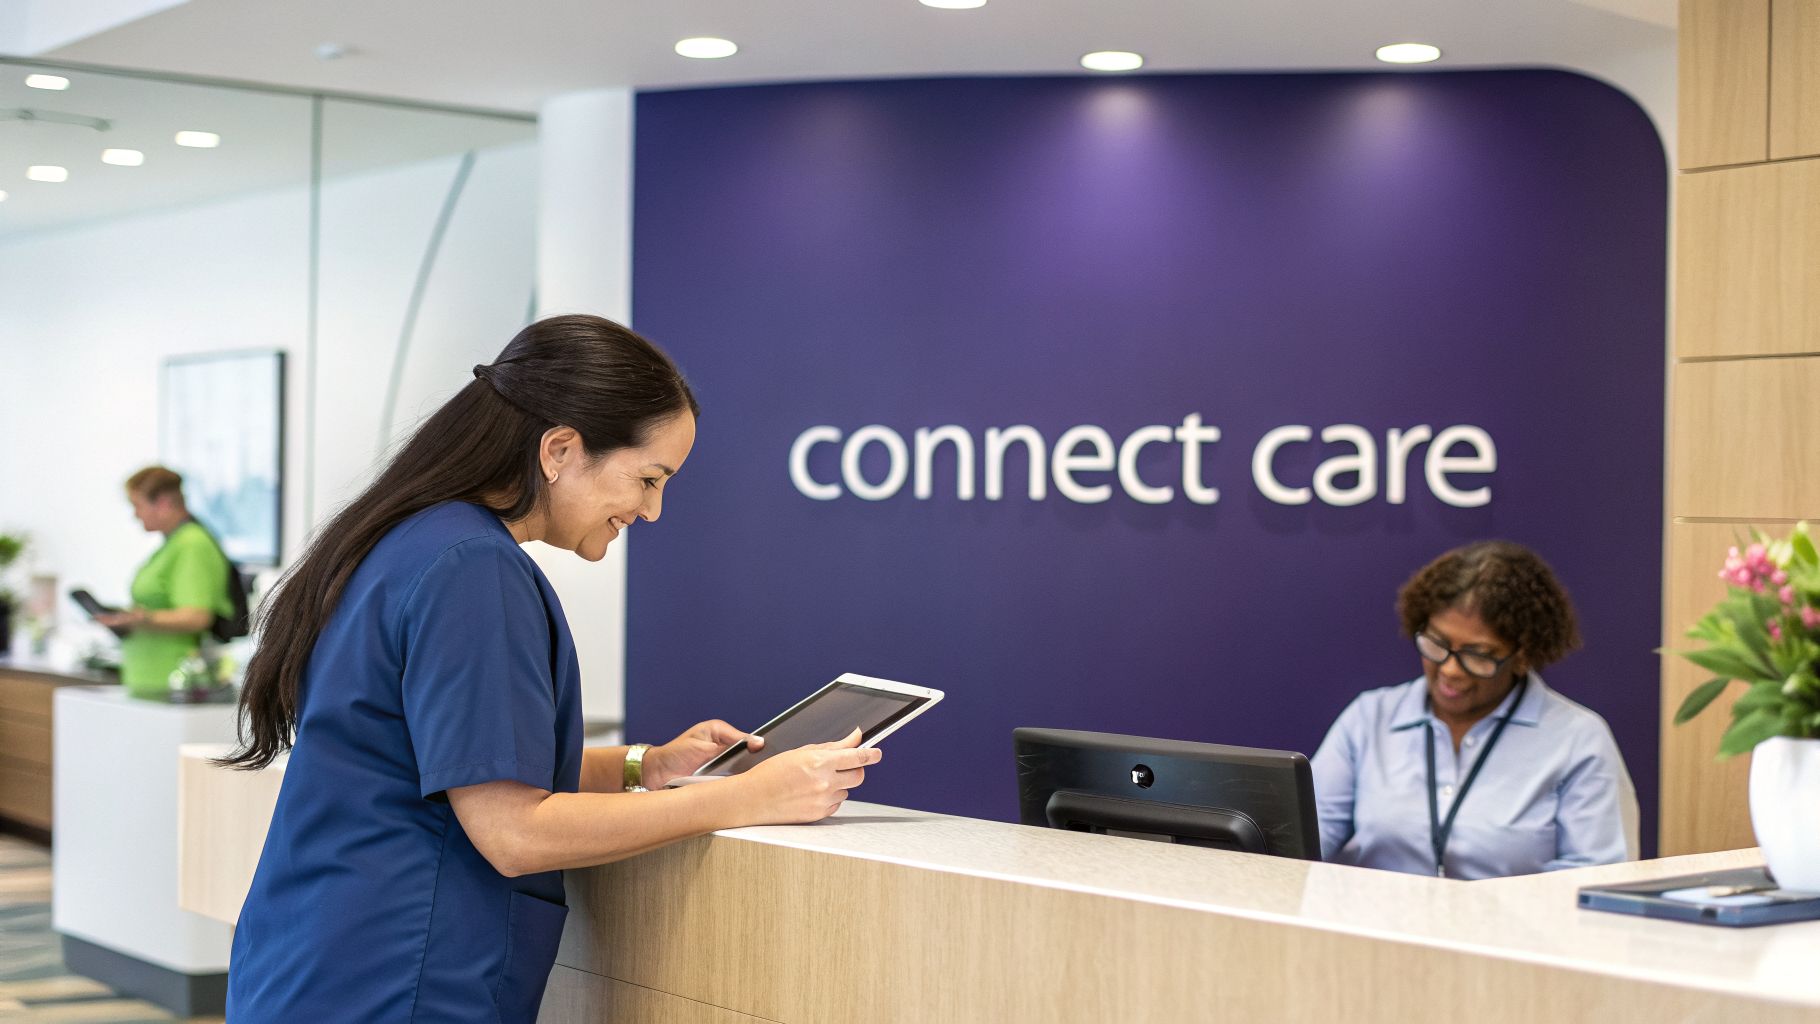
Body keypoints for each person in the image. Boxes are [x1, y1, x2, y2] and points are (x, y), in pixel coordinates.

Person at [221, 315, 881, 1022]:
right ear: (560, 448)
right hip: (393, 980)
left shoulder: (417, 542)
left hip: (320, 962)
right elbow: (513, 833)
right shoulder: (473, 570)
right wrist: (750, 798)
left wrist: (642, 766)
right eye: (648, 479)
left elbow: (449, 764)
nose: (652, 511)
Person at [1310, 540, 1637, 879]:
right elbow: (1306, 843)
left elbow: (1595, 878)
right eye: (1437, 643)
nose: (1450, 670)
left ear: (1522, 656)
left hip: (1512, 930)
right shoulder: (1370, 719)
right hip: (1372, 926)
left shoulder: (1578, 740)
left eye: (1477, 654)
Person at [97, 466, 234, 699]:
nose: (135, 515)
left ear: (161, 503)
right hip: (149, 680)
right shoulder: (172, 545)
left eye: (137, 506)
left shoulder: (192, 543)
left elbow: (197, 616)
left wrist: (140, 619)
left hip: (173, 682)